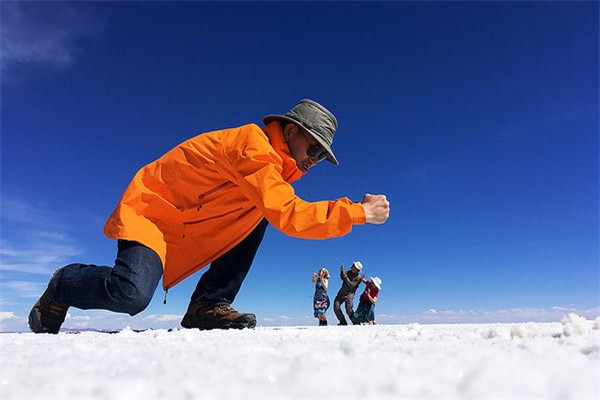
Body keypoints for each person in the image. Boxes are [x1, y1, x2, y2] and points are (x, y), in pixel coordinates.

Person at [28, 98, 390, 333]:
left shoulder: (271, 171)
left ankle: (208, 305)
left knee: (259, 212)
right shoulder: (254, 148)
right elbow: (290, 215)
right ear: (290, 130)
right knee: (131, 296)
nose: (314, 159)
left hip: (187, 224)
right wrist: (359, 212)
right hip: (153, 214)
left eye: (321, 156)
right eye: (314, 148)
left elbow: (275, 208)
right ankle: (63, 283)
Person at [333, 261, 365, 325]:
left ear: (357, 269)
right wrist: (342, 271)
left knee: (348, 309)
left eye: (353, 265)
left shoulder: (358, 278)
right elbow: (343, 278)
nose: (352, 265)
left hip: (349, 294)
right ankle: (343, 322)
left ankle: (355, 322)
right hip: (342, 292)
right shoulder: (348, 272)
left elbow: (351, 286)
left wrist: (345, 277)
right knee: (336, 307)